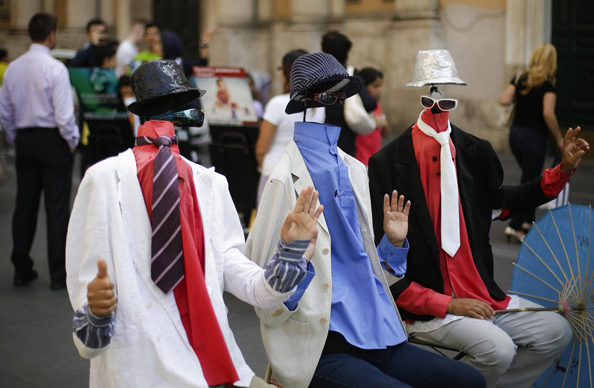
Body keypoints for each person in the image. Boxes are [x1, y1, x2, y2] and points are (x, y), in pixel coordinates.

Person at [66, 59, 322, 388]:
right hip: (139, 370)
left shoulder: (210, 185)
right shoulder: (103, 180)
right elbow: (89, 332)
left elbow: (253, 286)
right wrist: (97, 313)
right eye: (171, 107)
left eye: (181, 107)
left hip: (214, 365)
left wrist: (291, 253)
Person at [246, 52, 485, 388]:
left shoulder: (354, 168)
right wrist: (296, 259)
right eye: (330, 96)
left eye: (342, 94)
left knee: (469, 381)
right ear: (310, 102)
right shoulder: (282, 180)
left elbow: (369, 267)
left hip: (383, 332)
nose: (338, 104)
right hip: (324, 346)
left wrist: (393, 244)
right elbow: (265, 294)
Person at [368, 49, 589, 388]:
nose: (439, 109)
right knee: (498, 349)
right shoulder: (387, 163)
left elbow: (504, 202)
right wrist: (450, 304)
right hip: (429, 309)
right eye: (431, 101)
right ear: (423, 100)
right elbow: (382, 267)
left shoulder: (475, 151)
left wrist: (562, 171)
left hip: (485, 297)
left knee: (557, 330)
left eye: (446, 102)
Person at [0, 13, 80, 290]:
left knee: (25, 205)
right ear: (52, 34)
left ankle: (21, 267)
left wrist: (14, 138)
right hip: (53, 140)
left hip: (25, 139)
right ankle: (58, 274)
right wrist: (71, 141)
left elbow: (6, 112)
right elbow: (64, 116)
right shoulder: (55, 69)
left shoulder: (13, 68)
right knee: (56, 209)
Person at [499, 43, 564, 242]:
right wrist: (560, 139)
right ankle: (515, 226)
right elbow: (548, 114)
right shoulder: (547, 84)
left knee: (531, 178)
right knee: (530, 182)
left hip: (516, 135)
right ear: (551, 61)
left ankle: (527, 220)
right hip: (535, 137)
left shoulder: (520, 78)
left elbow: (504, 99)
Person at [255, 49, 326, 205]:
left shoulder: (278, 103)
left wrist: (263, 164)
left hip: (274, 173)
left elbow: (262, 148)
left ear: (287, 73)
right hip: (305, 174)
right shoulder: (319, 106)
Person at [321, 31, 377, 157]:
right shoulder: (350, 74)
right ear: (347, 52)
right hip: (345, 137)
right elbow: (370, 103)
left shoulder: (317, 75)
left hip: (320, 136)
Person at [355, 67, 391, 165]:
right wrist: (373, 121)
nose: (379, 90)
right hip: (360, 160)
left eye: (380, 86)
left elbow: (386, 133)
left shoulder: (377, 106)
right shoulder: (357, 108)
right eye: (375, 86)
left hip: (373, 158)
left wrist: (384, 123)